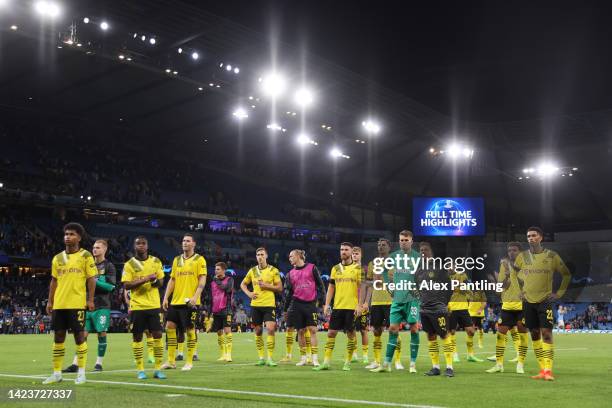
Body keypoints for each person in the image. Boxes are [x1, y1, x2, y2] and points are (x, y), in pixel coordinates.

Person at [514, 226, 571, 381]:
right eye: (528, 236)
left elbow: (566, 274)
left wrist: (559, 293)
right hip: (528, 302)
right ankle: (541, 369)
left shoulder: (551, 256)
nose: (530, 238)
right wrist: (520, 290)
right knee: (534, 334)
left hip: (544, 301)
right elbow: (515, 275)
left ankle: (548, 370)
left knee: (546, 333)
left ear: (540, 237)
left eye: (533, 235)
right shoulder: (523, 256)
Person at [43, 223, 97, 385]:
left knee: (79, 337)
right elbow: (53, 281)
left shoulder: (86, 256)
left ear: (79, 237)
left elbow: (91, 279)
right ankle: (57, 373)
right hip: (59, 304)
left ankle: (81, 373)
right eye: (66, 234)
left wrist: (90, 299)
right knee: (58, 337)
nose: (68, 237)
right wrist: (50, 301)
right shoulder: (57, 258)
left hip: (77, 303)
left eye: (72, 234)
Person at [63, 239, 116, 373]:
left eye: (98, 247)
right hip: (86, 305)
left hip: (102, 306)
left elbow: (110, 287)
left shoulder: (109, 266)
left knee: (101, 333)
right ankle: (76, 364)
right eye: (93, 247)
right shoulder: (86, 264)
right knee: (82, 335)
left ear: (105, 249)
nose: (95, 249)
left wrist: (93, 281)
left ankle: (98, 363)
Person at [371, 230, 420, 373]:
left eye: (406, 240)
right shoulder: (393, 257)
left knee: (413, 328)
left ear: (411, 241)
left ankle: (412, 364)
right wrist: (390, 288)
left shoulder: (418, 257)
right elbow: (384, 272)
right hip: (397, 299)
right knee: (392, 329)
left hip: (412, 300)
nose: (403, 242)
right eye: (401, 240)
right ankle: (386, 365)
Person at [121, 236, 166, 380]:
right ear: (134, 247)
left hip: (153, 305)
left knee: (158, 335)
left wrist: (154, 281)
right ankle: (140, 370)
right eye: (138, 244)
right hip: (137, 306)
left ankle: (158, 369)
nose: (141, 246)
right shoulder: (129, 264)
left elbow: (161, 282)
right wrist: (145, 279)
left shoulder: (156, 261)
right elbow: (127, 285)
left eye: (143, 243)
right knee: (137, 337)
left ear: (147, 246)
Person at [161, 233, 207, 371]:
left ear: (193, 244)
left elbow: (202, 280)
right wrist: (165, 297)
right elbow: (172, 280)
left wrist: (195, 297)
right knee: (169, 327)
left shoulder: (200, 259)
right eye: (183, 241)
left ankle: (189, 361)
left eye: (188, 241)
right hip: (175, 301)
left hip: (190, 302)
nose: (185, 243)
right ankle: (171, 361)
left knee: (190, 330)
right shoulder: (176, 260)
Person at [314, 242, 363, 371]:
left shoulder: (358, 269)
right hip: (338, 306)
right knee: (331, 333)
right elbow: (331, 287)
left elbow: (361, 288)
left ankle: (347, 362)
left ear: (352, 252)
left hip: (352, 307)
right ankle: (326, 362)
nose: (343, 252)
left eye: (346, 250)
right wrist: (326, 304)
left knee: (351, 334)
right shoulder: (335, 268)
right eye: (341, 249)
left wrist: (360, 305)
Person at [486, 242, 529, 374]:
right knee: (500, 335)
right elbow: (500, 289)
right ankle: (499, 365)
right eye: (509, 250)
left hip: (522, 306)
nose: (511, 252)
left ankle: (520, 364)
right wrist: (506, 275)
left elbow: (525, 284)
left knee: (522, 335)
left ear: (520, 252)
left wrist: (512, 271)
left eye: (514, 250)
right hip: (507, 306)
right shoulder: (504, 266)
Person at [415, 242, 455, 377]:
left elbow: (449, 287)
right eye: (421, 250)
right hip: (425, 308)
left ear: (431, 251)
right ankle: (435, 367)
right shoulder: (419, 269)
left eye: (426, 249)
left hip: (439, 308)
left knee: (444, 335)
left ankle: (449, 367)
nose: (423, 252)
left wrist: (444, 303)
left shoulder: (439, 267)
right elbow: (417, 286)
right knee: (430, 336)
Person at [282, 249, 326, 367]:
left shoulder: (312, 268)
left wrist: (322, 302)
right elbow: (288, 294)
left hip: (310, 304)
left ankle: (314, 358)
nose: (290, 258)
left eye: (291, 256)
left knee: (312, 330)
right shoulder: (290, 274)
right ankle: (303, 358)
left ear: (298, 256)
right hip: (297, 304)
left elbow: (321, 285)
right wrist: (285, 310)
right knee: (300, 331)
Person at [240, 247, 282, 366]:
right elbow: (242, 284)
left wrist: (267, 286)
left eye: (262, 254)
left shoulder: (274, 270)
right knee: (258, 331)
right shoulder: (252, 271)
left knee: (270, 329)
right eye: (258, 255)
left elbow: (279, 288)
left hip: (269, 305)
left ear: (266, 256)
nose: (260, 257)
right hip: (256, 305)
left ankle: (270, 358)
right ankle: (261, 358)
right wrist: (249, 293)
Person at [365, 238, 395, 370]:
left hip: (391, 301)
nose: (380, 247)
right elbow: (369, 283)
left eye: (383, 245)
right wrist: (367, 301)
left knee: (394, 331)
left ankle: (397, 361)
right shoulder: (372, 263)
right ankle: (376, 361)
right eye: (379, 245)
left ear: (389, 247)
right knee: (376, 331)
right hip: (376, 301)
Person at [447, 266, 483, 363]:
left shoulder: (462, 275)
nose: (450, 268)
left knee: (471, 331)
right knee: (452, 332)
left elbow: (469, 286)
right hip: (451, 308)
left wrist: (466, 291)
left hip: (463, 308)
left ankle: (470, 355)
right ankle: (454, 354)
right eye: (448, 266)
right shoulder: (444, 278)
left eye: (452, 266)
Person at [207, 262, 234, 362]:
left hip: (226, 309)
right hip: (216, 310)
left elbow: (227, 289)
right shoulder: (212, 283)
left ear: (223, 270)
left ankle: (229, 354)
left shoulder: (229, 279)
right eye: (215, 269)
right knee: (219, 332)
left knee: (227, 331)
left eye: (218, 269)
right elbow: (212, 298)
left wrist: (217, 281)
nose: (215, 271)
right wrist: (210, 313)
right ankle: (222, 354)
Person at [351, 246, 371, 364]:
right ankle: (354, 354)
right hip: (350, 304)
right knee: (351, 330)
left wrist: (366, 302)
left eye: (357, 253)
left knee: (363, 330)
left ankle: (365, 355)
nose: (354, 255)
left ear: (361, 255)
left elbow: (369, 286)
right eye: (353, 253)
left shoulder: (365, 269)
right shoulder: (347, 269)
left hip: (362, 304)